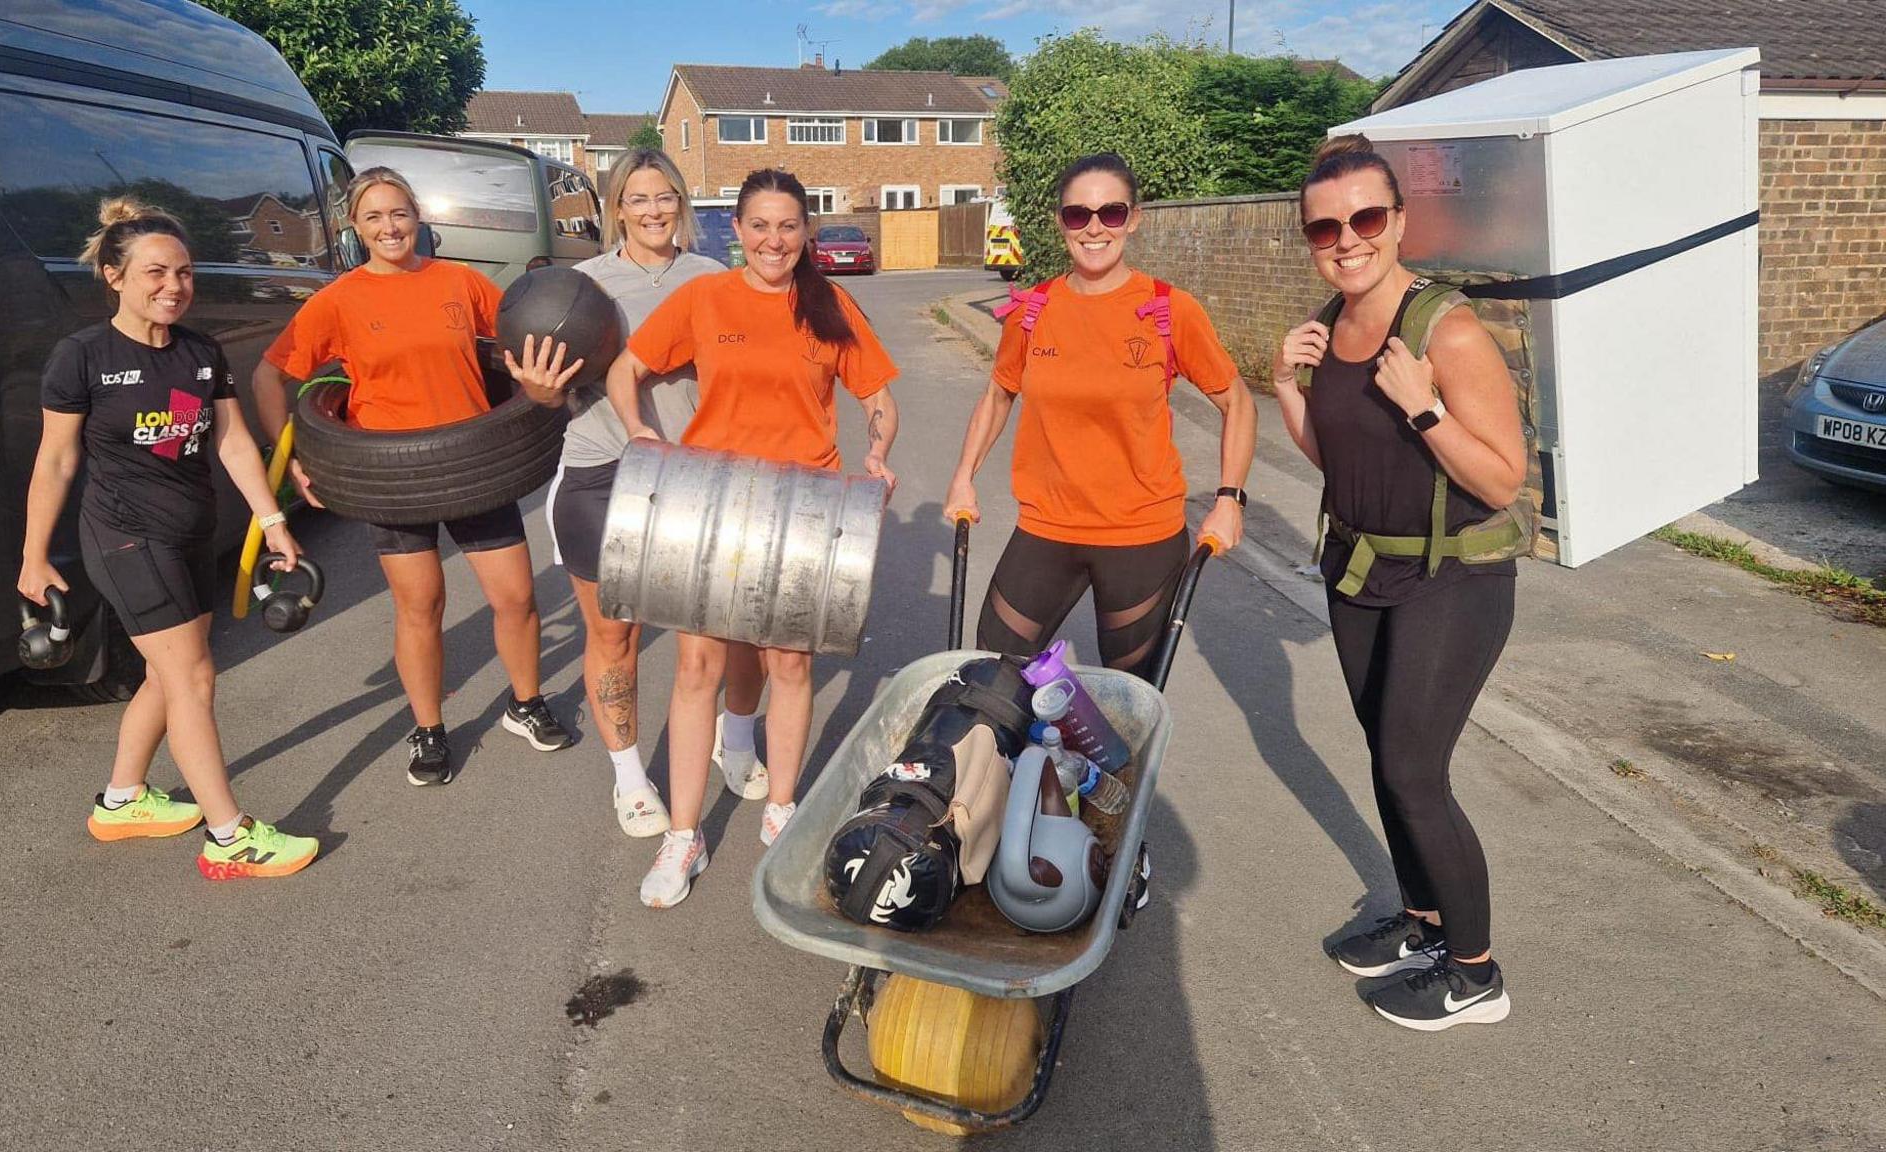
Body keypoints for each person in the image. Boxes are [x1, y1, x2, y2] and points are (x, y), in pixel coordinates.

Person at [593, 168, 899, 908]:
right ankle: (684, 837)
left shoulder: (831, 306)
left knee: (789, 667)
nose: (774, 239)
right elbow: (624, 370)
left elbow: (879, 401)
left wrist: (878, 456)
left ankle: (782, 812)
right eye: (760, 225)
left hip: (805, 506)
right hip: (713, 502)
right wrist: (640, 431)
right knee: (697, 668)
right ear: (738, 229)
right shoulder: (704, 298)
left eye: (788, 226)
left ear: (805, 234)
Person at [1274, 134, 1527, 1030]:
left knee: (1415, 768)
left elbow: (1503, 477)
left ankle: (1474, 974)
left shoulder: (1445, 329)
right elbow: (1340, 466)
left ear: (1400, 222)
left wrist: (1423, 403)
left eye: (1366, 218)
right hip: (1359, 568)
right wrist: (1287, 389)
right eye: (1326, 226)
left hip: (1451, 577)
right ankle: (1423, 923)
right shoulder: (1331, 323)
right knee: (1386, 757)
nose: (1347, 239)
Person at [20, 198, 318, 880]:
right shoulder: (84, 357)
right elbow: (57, 459)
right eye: (155, 272)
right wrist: (34, 556)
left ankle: (123, 801)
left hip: (189, 533)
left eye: (184, 273)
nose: (174, 286)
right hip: (126, 538)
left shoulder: (197, 353)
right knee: (193, 676)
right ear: (113, 275)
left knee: (167, 672)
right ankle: (229, 835)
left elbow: (232, 442)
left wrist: (272, 520)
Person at [253, 167, 575, 787]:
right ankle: (429, 728)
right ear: (356, 227)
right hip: (392, 476)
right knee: (421, 604)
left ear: (417, 216)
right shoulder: (340, 299)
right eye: (373, 217)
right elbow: (271, 376)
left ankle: (525, 703)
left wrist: (540, 388)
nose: (389, 227)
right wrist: (291, 454)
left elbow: (515, 345)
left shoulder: (460, 282)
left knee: (515, 597)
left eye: (398, 213)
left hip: (475, 464)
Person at [515, 149, 767, 838]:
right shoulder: (580, 287)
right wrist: (539, 392)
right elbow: (542, 388)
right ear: (615, 208)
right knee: (613, 633)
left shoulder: (716, 278)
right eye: (638, 198)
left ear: (680, 203)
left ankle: (735, 737)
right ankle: (628, 778)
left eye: (665, 197)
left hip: (699, 475)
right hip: (602, 472)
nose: (653, 210)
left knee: (724, 629)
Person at [943, 152, 1256, 676]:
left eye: (1110, 213)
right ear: (1060, 221)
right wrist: (962, 477)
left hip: (1142, 537)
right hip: (1047, 526)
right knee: (990, 673)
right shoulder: (1032, 310)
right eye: (1077, 215)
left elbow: (1237, 401)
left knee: (1124, 698)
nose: (1093, 228)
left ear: (1133, 219)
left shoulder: (1169, 309)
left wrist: (1230, 498)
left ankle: (1099, 760)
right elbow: (999, 393)